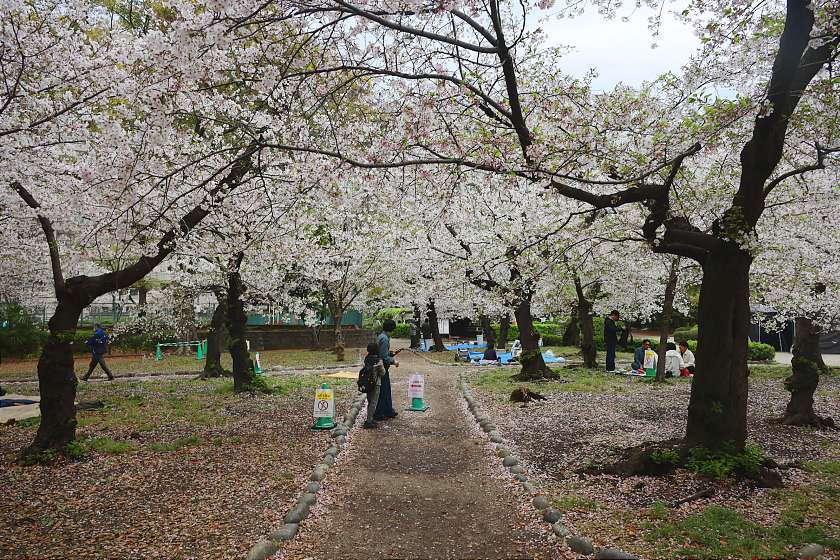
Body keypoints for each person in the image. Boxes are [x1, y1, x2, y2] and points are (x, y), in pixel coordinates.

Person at [374, 319, 400, 420]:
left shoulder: (381, 336)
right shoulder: (384, 339)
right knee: (384, 390)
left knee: (385, 389)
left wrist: (391, 353)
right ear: (392, 329)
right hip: (382, 368)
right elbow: (384, 357)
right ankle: (380, 413)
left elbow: (383, 352)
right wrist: (394, 361)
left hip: (381, 367)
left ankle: (388, 410)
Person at [362, 342, 386, 429]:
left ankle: (370, 418)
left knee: (370, 401)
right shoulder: (378, 360)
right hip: (376, 383)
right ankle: (369, 421)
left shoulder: (366, 359)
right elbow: (383, 373)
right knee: (373, 402)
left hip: (367, 383)